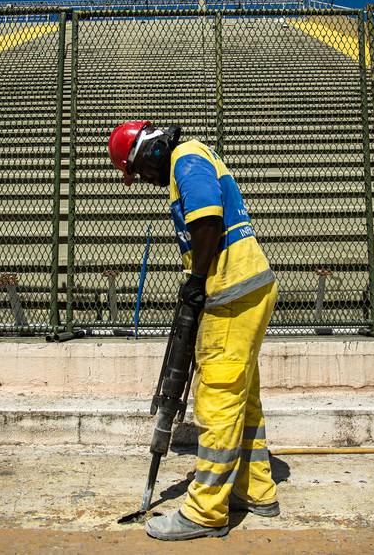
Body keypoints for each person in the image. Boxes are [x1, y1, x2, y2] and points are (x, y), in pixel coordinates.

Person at [107, 121, 280, 541]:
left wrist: (198, 281)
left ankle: (206, 512)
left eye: (141, 172)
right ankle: (255, 488)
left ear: (147, 153)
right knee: (244, 397)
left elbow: (207, 220)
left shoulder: (185, 159)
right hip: (251, 286)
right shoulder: (195, 156)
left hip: (230, 291)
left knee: (217, 399)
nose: (146, 182)